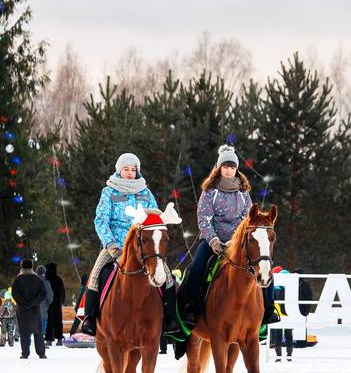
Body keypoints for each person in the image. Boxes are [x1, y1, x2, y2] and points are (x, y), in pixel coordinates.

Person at [177, 145, 278, 335]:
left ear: (236, 169)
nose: (229, 170)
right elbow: (204, 218)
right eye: (225, 166)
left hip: (238, 243)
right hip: (212, 242)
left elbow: (248, 220)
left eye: (232, 167)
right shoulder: (209, 191)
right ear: (219, 167)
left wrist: (237, 242)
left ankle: (268, 309)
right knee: (197, 267)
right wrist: (214, 241)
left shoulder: (243, 193)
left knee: (265, 266)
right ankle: (189, 308)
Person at [81, 152, 177, 337]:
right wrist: (110, 243)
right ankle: (90, 319)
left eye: (133, 169)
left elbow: (155, 218)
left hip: (144, 245)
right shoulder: (109, 192)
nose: (130, 173)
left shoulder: (145, 192)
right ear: (119, 171)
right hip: (116, 244)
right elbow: (101, 220)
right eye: (126, 169)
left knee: (166, 275)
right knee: (96, 274)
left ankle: (170, 318)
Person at [12, 259, 48, 359]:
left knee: (24, 332)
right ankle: (41, 353)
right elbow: (43, 294)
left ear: (21, 267)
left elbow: (15, 294)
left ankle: (25, 353)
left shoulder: (18, 279)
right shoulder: (37, 279)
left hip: (22, 310)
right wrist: (33, 303)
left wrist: (24, 303)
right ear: (32, 266)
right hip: (35, 310)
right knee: (38, 332)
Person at [270, 266, 294, 361]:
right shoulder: (292, 288)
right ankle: (289, 356)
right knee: (289, 335)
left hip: (278, 314)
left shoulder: (275, 287)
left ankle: (279, 356)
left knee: (278, 336)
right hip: (289, 314)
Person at [44, 262, 67, 346]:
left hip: (48, 304)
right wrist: (62, 301)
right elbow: (62, 291)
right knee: (58, 321)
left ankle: (49, 340)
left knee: (49, 322)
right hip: (57, 303)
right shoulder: (58, 279)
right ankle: (59, 339)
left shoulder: (47, 278)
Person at [37, 264, 54, 344]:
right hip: (44, 306)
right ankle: (44, 339)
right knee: (44, 321)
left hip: (35, 306)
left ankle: (38, 339)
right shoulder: (46, 282)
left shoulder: (33, 282)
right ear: (44, 273)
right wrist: (48, 304)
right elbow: (49, 295)